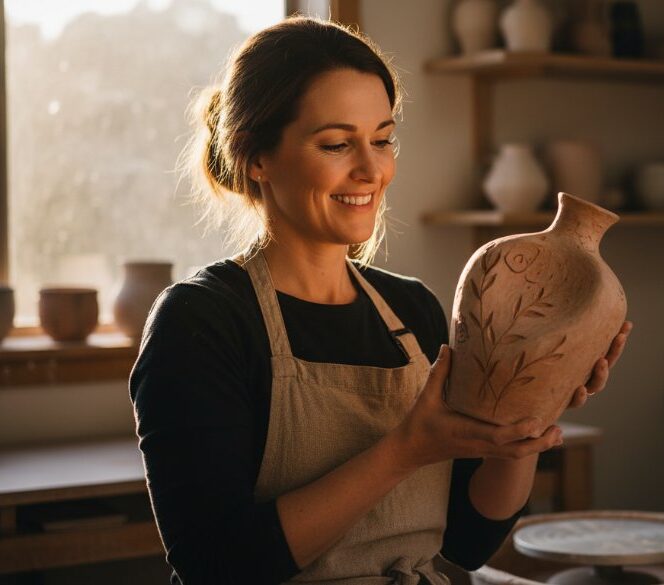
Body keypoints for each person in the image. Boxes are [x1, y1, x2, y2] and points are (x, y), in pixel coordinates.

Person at [130, 15, 632, 585]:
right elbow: (215, 564)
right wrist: (404, 451)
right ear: (255, 156)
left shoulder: (413, 311)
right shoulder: (201, 321)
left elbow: (469, 541)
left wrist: (528, 416)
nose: (371, 170)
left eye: (383, 139)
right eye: (337, 144)